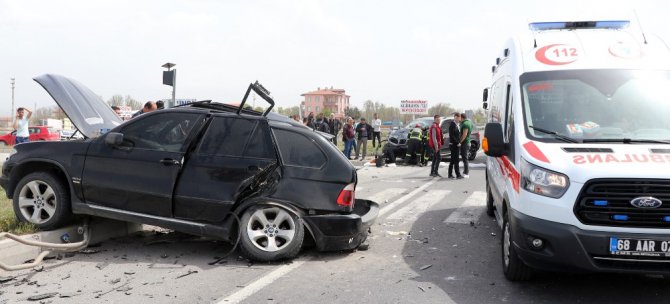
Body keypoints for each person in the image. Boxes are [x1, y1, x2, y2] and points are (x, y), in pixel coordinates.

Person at [448, 113, 463, 179]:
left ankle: (450, 174)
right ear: (455, 117)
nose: (459, 119)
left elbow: (458, 135)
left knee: (453, 160)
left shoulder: (457, 125)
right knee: (456, 160)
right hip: (454, 145)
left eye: (459, 118)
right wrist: (457, 143)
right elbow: (452, 136)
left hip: (456, 144)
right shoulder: (452, 125)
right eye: (458, 118)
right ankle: (458, 174)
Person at [459, 112, 473, 178]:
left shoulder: (465, 124)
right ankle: (465, 171)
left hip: (465, 143)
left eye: (459, 118)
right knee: (465, 158)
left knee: (465, 159)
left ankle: (466, 172)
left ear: (462, 118)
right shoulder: (470, 122)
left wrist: (460, 142)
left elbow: (464, 135)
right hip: (467, 142)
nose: (459, 120)